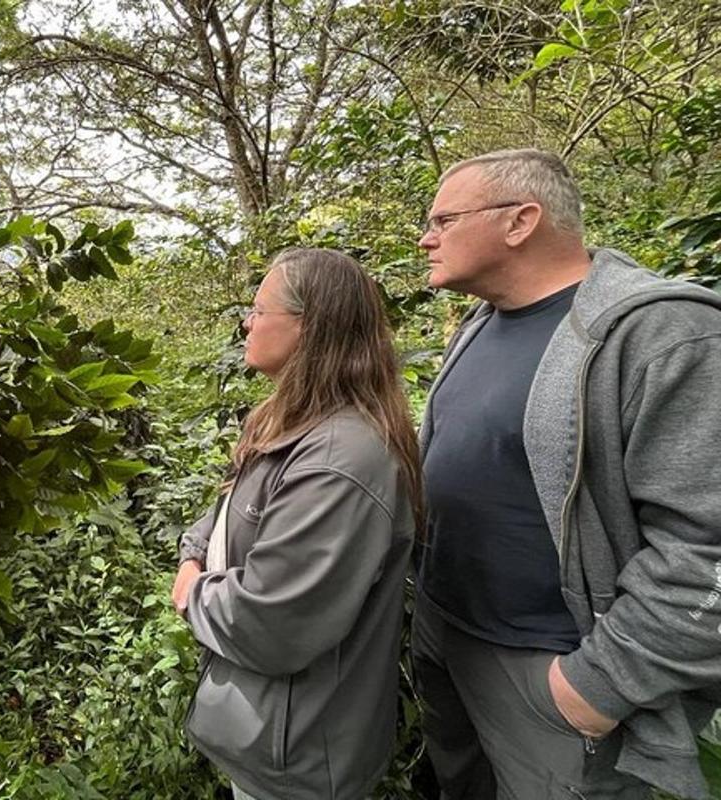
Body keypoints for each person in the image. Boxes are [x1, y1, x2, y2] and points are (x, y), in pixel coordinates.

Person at [412, 149, 721, 800]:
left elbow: (706, 550)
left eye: (444, 218)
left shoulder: (663, 333)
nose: (426, 237)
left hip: (550, 670)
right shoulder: (481, 323)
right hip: (449, 634)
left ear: (520, 221)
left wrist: (596, 685)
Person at [171, 248, 423, 800]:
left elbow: (274, 622)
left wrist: (193, 594)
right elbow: (222, 511)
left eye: (260, 310)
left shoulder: (340, 461)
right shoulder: (285, 422)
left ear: (309, 328)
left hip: (303, 752)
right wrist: (194, 551)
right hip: (271, 734)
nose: (247, 322)